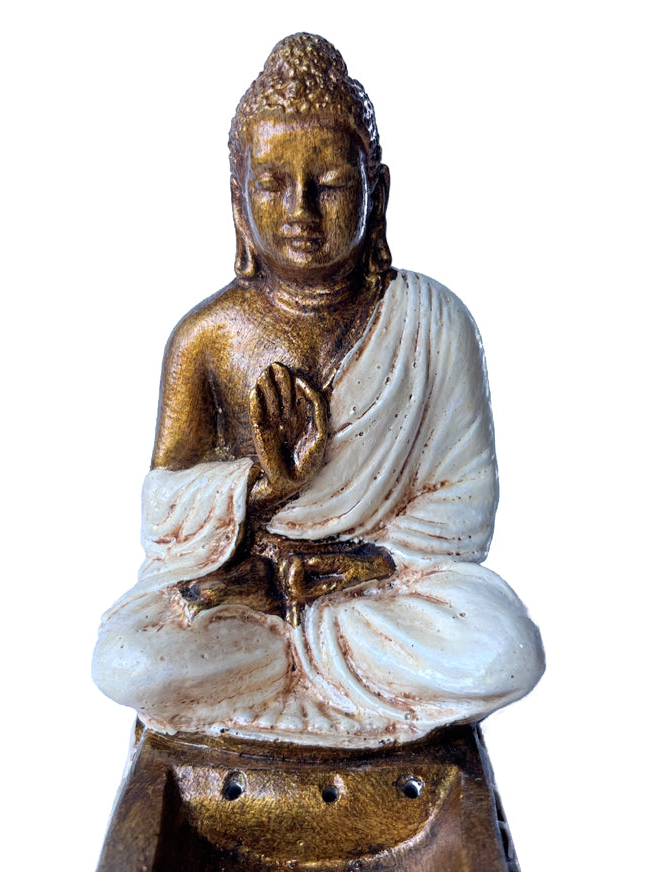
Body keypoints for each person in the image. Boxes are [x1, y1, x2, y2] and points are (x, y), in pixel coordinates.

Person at [92, 34, 544, 748]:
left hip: (369, 597)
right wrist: (265, 489)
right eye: (271, 183)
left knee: (505, 649)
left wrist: (365, 564)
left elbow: (465, 502)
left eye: (329, 183)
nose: (299, 208)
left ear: (377, 192)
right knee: (129, 660)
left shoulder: (431, 322)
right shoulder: (207, 338)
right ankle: (299, 671)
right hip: (245, 595)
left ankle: (289, 683)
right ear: (236, 200)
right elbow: (161, 511)